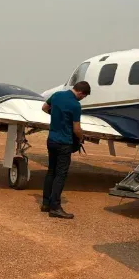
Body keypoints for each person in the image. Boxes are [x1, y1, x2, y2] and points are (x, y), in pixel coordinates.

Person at [41, 81, 91, 218]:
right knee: (60, 174)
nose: (82, 99)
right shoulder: (75, 105)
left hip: (51, 140)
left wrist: (56, 116)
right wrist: (81, 138)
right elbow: (76, 128)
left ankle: (45, 203)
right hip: (64, 143)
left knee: (51, 171)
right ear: (80, 92)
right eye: (84, 96)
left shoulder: (57, 95)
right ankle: (55, 207)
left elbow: (44, 108)